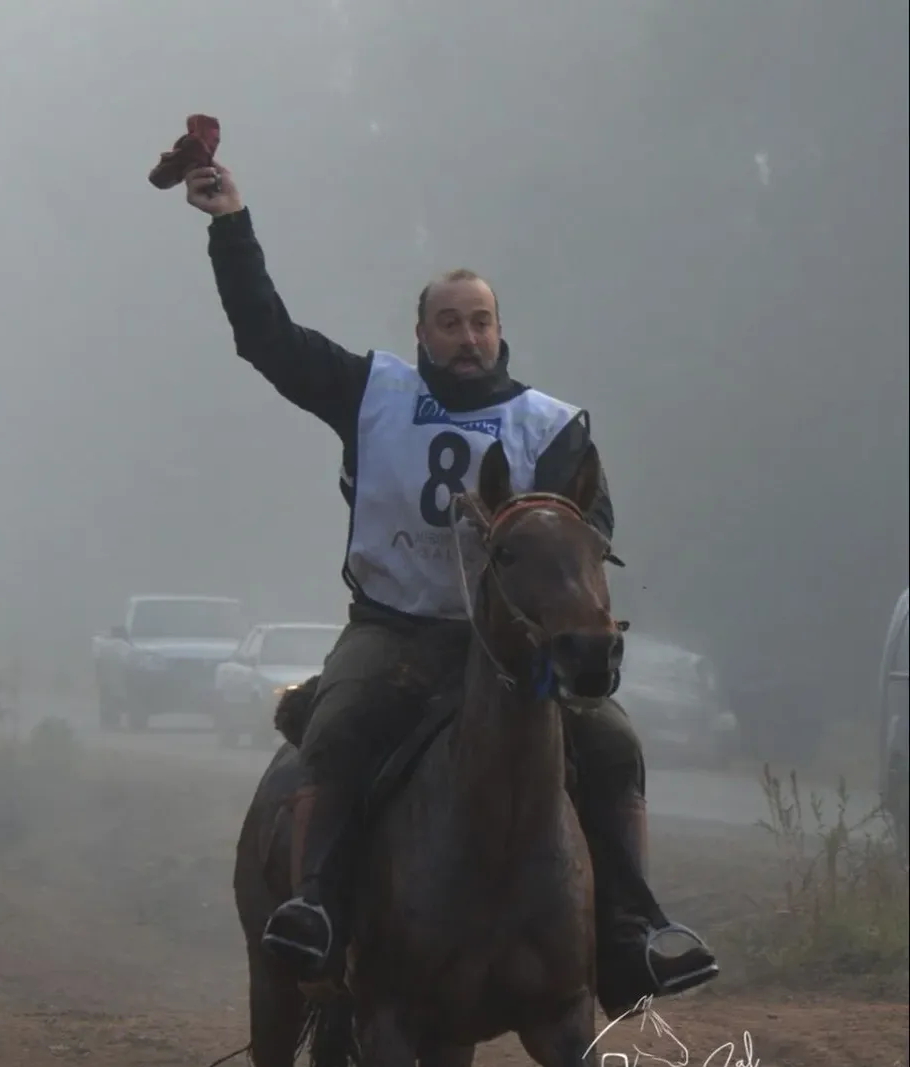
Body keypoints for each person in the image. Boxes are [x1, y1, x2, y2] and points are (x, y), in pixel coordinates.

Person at [181, 159, 718, 1017]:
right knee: (337, 728)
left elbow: (591, 530)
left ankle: (631, 927)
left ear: (500, 332)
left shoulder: (551, 425)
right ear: (422, 334)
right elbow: (266, 338)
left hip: (512, 646)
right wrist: (230, 224)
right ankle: (316, 909)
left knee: (613, 743)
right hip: (395, 629)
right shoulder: (370, 391)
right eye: (449, 323)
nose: (468, 338)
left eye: (481, 322)